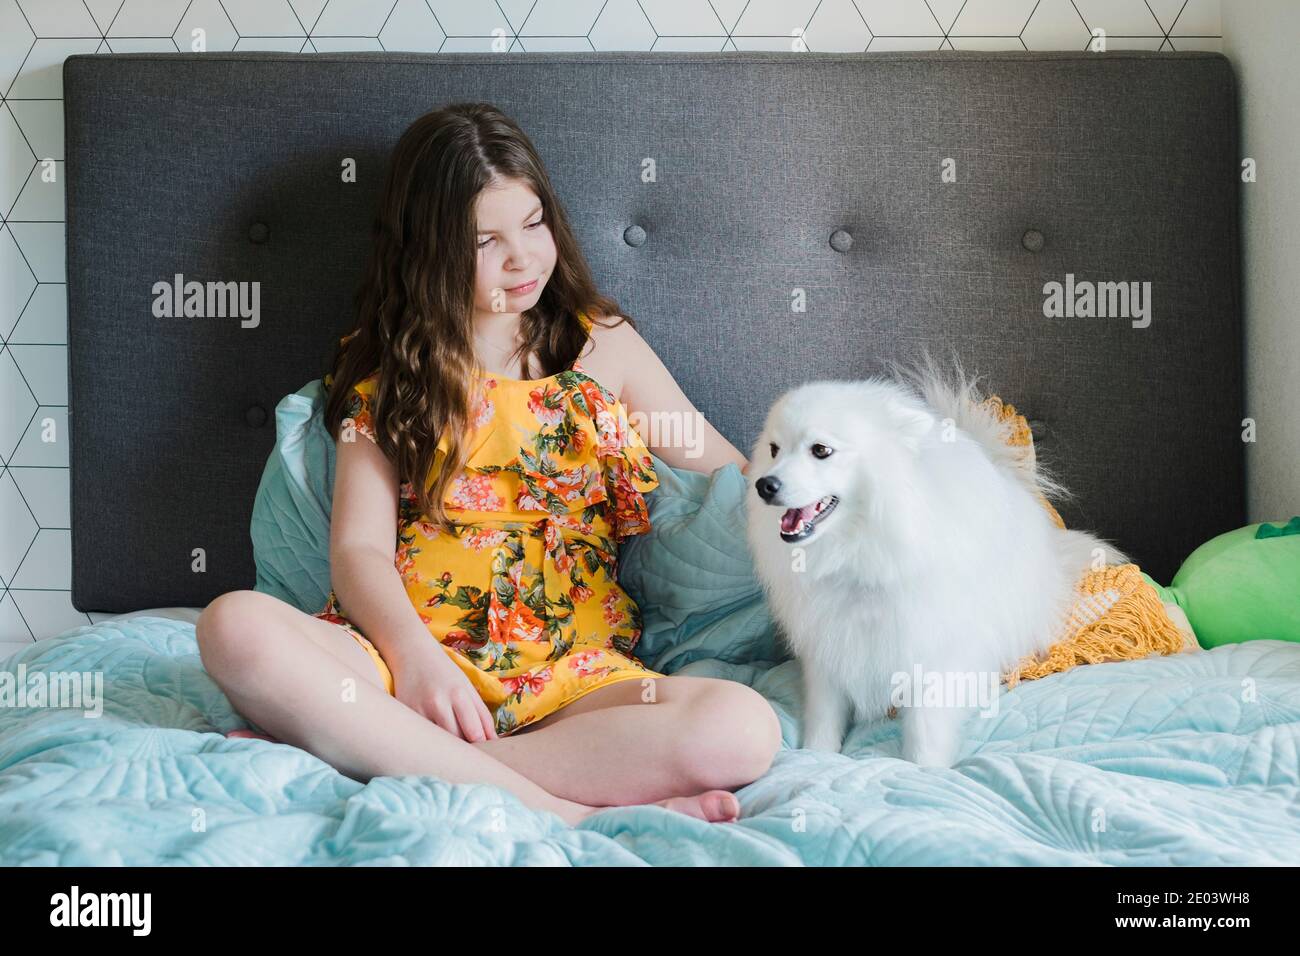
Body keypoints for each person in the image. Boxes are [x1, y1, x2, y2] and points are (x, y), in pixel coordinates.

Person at [197, 103, 780, 828]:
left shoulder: (605, 346)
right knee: (233, 626)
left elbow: (738, 480)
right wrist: (414, 660)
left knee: (743, 728)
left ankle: (391, 759)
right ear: (428, 252)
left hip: (572, 674)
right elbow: (358, 550)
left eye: (533, 224)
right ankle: (556, 810)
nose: (524, 258)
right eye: (485, 241)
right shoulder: (390, 369)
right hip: (401, 661)